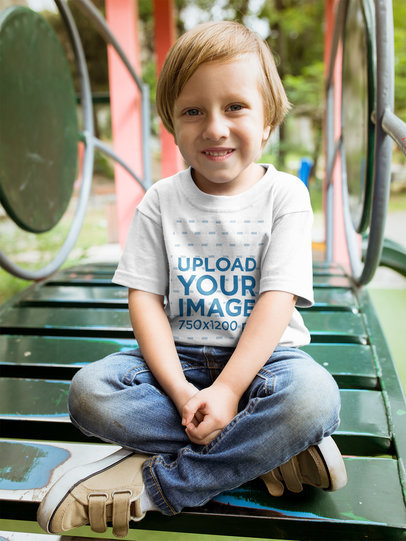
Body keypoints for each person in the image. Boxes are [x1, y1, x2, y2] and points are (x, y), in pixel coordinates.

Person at [37, 20, 347, 538]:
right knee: (89, 392)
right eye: (193, 111)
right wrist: (184, 394)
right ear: (172, 124)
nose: (215, 127)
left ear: (268, 120)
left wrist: (228, 391)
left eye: (235, 107)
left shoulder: (285, 196)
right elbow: (145, 302)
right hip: (176, 363)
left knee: (313, 398)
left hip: (266, 365)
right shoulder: (161, 200)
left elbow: (277, 297)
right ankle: (264, 448)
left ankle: (160, 486)